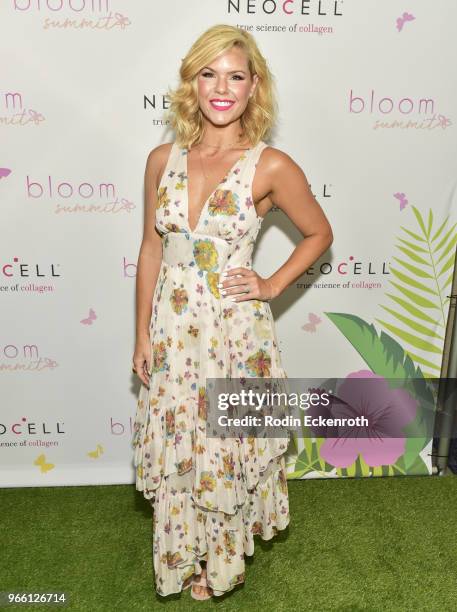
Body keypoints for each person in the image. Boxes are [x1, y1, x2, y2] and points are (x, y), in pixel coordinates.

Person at [132, 23, 333, 600]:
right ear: (192, 82)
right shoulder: (160, 159)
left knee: (225, 443)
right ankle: (185, 549)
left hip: (233, 332)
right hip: (171, 333)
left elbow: (319, 233)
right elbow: (151, 249)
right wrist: (142, 336)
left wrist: (270, 284)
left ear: (254, 86)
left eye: (235, 76)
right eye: (209, 74)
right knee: (182, 438)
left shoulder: (270, 164)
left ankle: (218, 565)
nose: (221, 88)